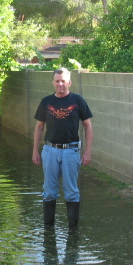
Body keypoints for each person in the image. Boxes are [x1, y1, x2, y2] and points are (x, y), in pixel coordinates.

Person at [32, 68, 93, 230]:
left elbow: (88, 126)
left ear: (69, 83)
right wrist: (35, 151)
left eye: (63, 81)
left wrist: (87, 152)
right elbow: (39, 127)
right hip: (50, 150)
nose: (60, 84)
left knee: (71, 191)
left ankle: (73, 231)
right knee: (49, 191)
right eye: (57, 81)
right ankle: (48, 230)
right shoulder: (46, 102)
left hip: (71, 151)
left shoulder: (78, 100)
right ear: (53, 82)